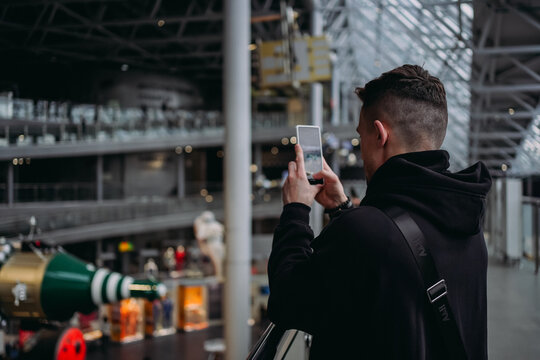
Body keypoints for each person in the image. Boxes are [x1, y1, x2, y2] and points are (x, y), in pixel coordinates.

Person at [267, 64, 491, 359]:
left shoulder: (363, 232)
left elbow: (287, 301)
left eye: (361, 138)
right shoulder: (467, 221)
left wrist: (296, 210)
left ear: (379, 134)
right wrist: (342, 208)